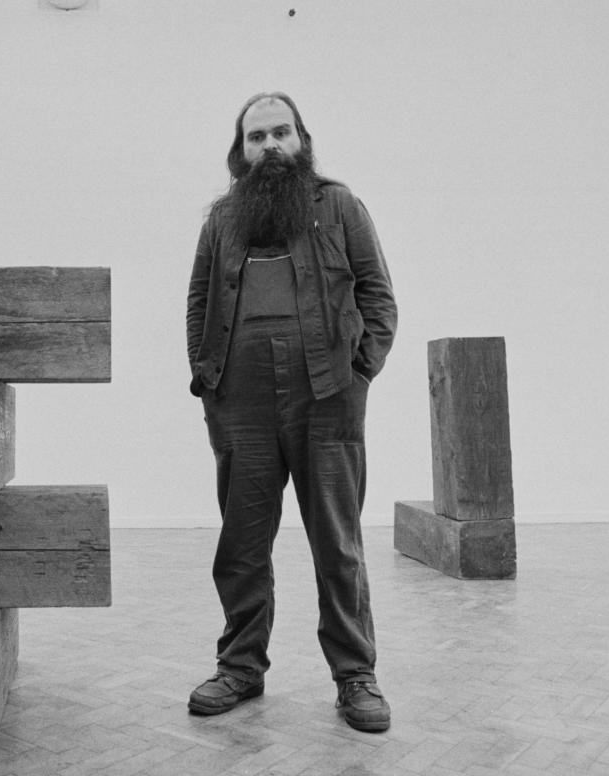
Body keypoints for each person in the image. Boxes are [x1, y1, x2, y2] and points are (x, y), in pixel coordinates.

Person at [185, 92, 397, 732]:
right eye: (256, 137)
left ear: (301, 139)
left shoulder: (339, 206)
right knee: (242, 543)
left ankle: (355, 675)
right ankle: (240, 668)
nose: (269, 146)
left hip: (326, 396)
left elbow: (378, 295)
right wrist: (207, 378)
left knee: (337, 543)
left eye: (280, 133)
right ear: (240, 152)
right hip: (240, 400)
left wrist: (358, 374)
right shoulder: (222, 219)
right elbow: (198, 302)